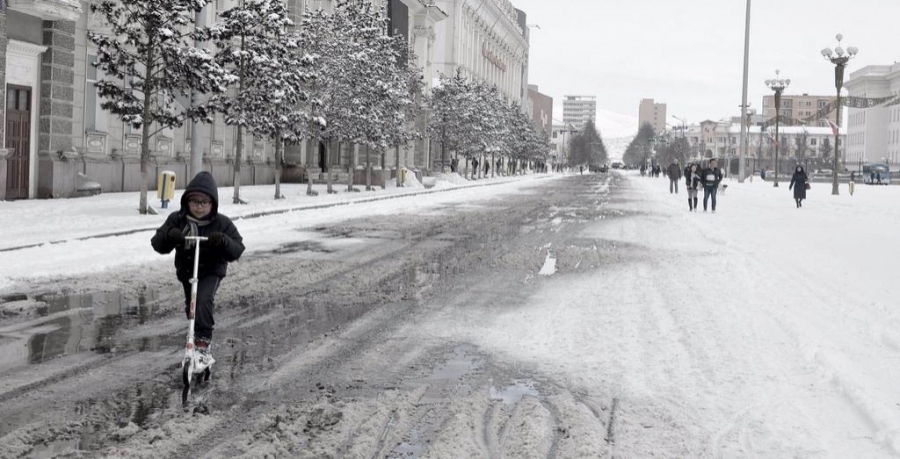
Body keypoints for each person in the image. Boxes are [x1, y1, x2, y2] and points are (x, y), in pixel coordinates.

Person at [151, 172, 245, 367]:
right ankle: (193, 336)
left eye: (204, 202)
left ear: (212, 204)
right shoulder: (177, 220)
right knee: (192, 305)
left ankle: (203, 344)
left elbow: (237, 249)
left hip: (211, 269)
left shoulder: (221, 222)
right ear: (187, 202)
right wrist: (170, 235)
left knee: (203, 300)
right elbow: (157, 244)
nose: (199, 207)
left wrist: (223, 241)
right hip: (187, 269)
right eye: (195, 202)